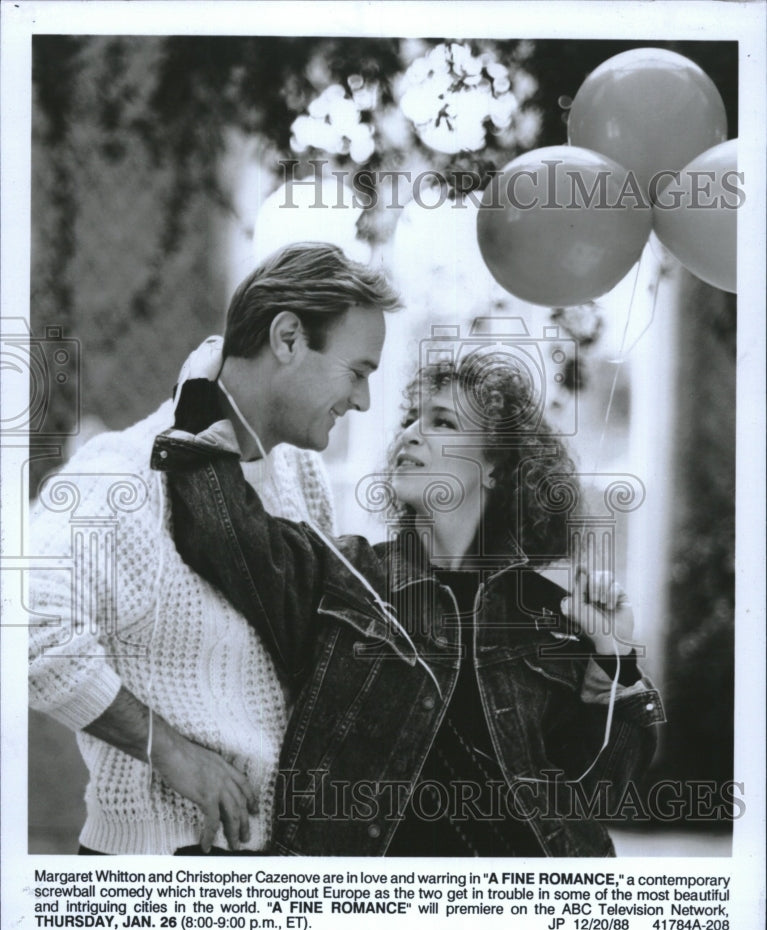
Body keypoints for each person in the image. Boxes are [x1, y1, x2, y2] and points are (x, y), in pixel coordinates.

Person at [152, 350, 665, 856]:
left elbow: (603, 790)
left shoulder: (552, 613)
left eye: (441, 422)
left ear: (496, 468)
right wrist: (200, 398)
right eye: (410, 419)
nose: (410, 433)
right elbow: (226, 535)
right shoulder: (347, 575)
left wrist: (612, 657)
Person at [28, 241, 400, 855]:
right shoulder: (122, 476)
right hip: (159, 872)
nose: (361, 400)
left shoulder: (300, 480)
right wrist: (168, 751)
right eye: (358, 371)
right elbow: (28, 626)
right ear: (287, 339)